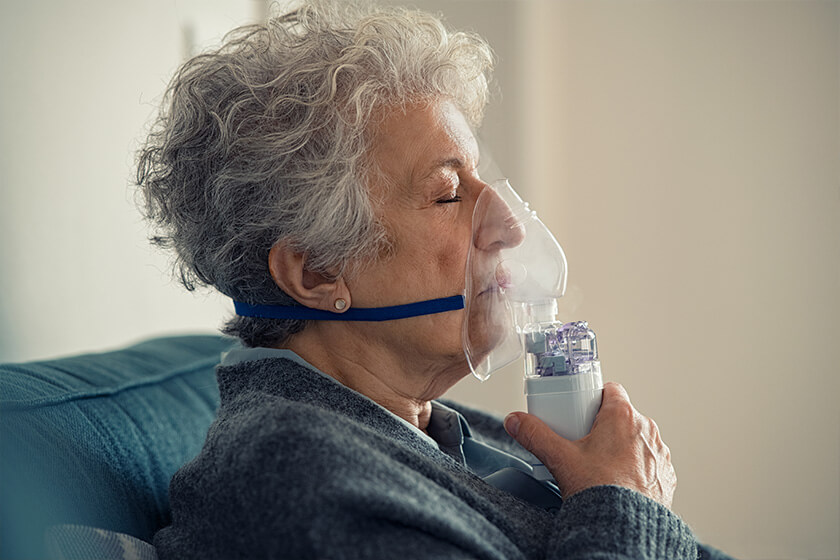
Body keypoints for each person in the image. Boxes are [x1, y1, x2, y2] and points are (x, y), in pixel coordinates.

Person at [138, 2, 734, 558]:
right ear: (316, 271)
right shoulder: (293, 477)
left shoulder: (455, 431)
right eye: (448, 193)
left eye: (478, 179)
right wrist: (627, 505)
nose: (508, 225)